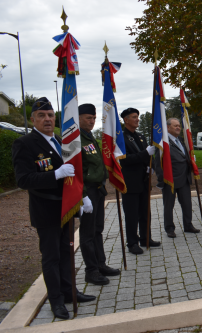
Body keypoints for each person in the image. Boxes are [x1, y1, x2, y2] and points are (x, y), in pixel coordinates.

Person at [11, 97, 95, 320]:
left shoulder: (59, 140)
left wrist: (82, 196)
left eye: (50, 115)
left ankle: (69, 292)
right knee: (51, 257)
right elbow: (23, 180)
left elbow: (74, 172)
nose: (47, 119)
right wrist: (55, 175)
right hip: (46, 209)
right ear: (33, 119)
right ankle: (56, 301)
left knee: (67, 253)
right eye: (41, 116)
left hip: (66, 207)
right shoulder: (25, 144)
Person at [78, 104, 120, 286]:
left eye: (94, 118)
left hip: (97, 190)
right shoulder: (76, 140)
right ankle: (91, 270)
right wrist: (82, 195)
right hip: (87, 191)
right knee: (87, 233)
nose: (92, 121)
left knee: (97, 230)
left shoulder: (89, 138)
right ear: (78, 118)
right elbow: (76, 170)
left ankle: (100, 264)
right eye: (88, 118)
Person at [120, 107, 161, 254]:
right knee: (131, 215)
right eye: (134, 117)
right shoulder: (122, 138)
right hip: (130, 183)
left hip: (143, 181)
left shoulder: (141, 136)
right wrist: (145, 154)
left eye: (138, 116)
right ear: (126, 120)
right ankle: (132, 243)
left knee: (145, 212)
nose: (137, 119)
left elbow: (147, 157)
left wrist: (150, 166)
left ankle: (145, 238)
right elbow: (125, 160)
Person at [155, 118, 200, 238]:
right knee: (169, 206)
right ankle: (169, 228)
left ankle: (188, 225)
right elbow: (158, 164)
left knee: (187, 204)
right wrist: (162, 180)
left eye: (179, 126)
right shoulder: (162, 142)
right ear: (168, 127)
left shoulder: (181, 140)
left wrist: (191, 161)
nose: (178, 128)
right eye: (175, 126)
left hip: (184, 178)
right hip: (170, 180)